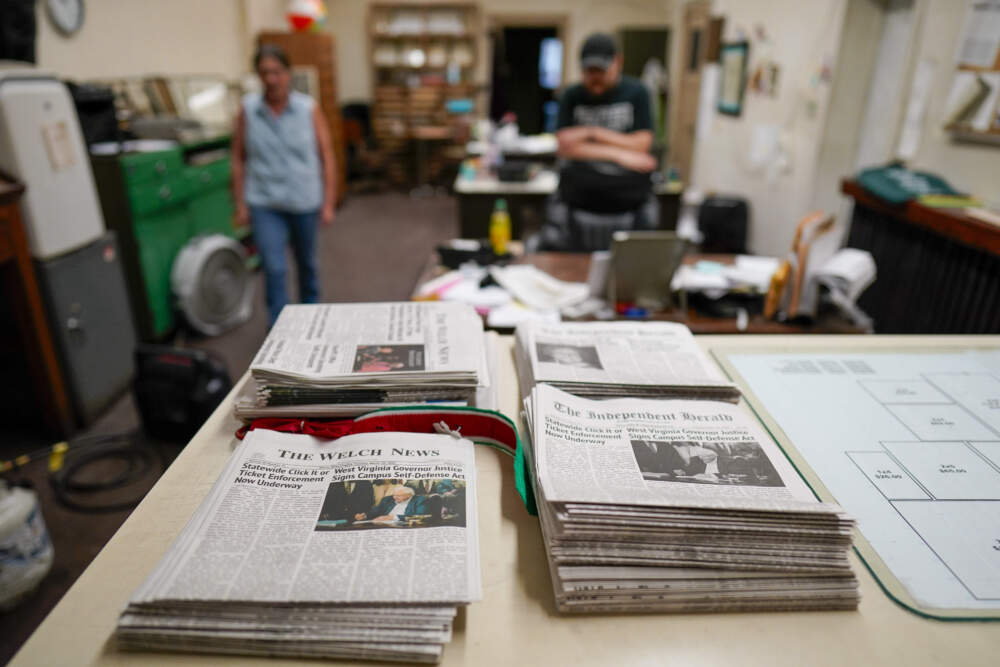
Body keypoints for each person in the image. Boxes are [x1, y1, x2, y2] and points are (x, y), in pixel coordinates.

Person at [231, 44, 337, 325]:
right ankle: (278, 329)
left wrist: (328, 202)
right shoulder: (248, 111)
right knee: (274, 268)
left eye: (276, 72)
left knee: (307, 265)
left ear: (287, 74)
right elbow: (238, 158)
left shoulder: (308, 109)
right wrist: (240, 203)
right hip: (265, 201)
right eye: (264, 73)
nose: (271, 79)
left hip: (304, 199)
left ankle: (312, 320)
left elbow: (326, 155)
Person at [555, 33, 656, 215]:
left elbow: (642, 144)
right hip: (581, 192)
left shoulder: (637, 92)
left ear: (618, 62)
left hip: (626, 193)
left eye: (601, 70)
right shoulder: (571, 95)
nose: (595, 77)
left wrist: (589, 135)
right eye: (589, 71)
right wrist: (619, 154)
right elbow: (564, 146)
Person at [355, 485, 426, 523]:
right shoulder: (388, 499)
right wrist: (365, 515)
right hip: (382, 525)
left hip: (404, 525)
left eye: (398, 496)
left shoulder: (420, 500)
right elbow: (377, 511)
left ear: (409, 495)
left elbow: (419, 515)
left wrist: (393, 517)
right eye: (394, 495)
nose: (395, 498)